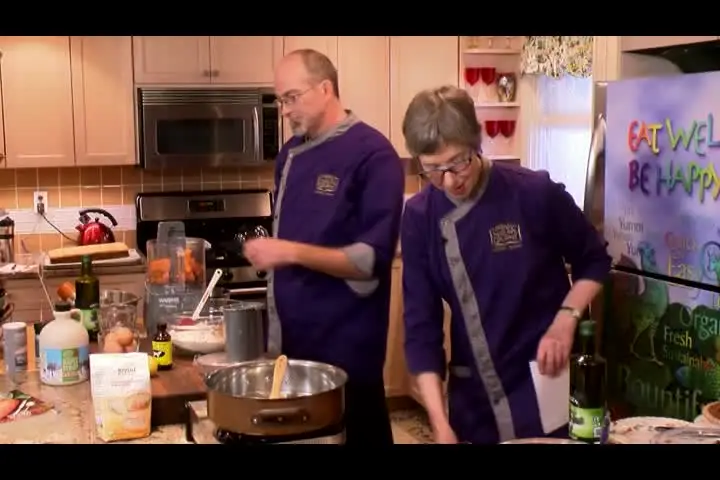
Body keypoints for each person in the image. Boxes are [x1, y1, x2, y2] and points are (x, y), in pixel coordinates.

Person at [400, 85, 612, 444]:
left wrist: (565, 320)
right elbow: (422, 328)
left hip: (544, 378)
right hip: (475, 399)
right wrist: (439, 422)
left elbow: (594, 260)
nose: (449, 180)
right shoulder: (420, 217)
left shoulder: (532, 193)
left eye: (458, 162)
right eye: (433, 169)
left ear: (476, 142)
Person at [243, 49, 405, 446]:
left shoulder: (373, 154)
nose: (285, 110)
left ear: (326, 89)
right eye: (280, 100)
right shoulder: (289, 155)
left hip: (346, 350)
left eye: (292, 98)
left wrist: (288, 252)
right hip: (292, 346)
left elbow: (370, 259)